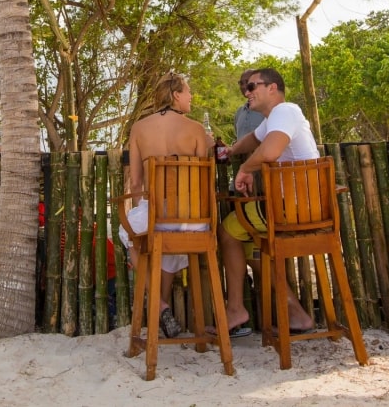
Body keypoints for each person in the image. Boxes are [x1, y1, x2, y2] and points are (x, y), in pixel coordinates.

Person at [216, 67, 318, 336]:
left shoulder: (285, 111)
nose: (246, 92)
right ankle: (296, 313)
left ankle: (236, 309)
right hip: (301, 207)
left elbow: (269, 150)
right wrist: (230, 150)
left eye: (252, 87)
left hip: (292, 209)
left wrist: (245, 169)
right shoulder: (276, 118)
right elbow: (253, 139)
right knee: (250, 243)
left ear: (272, 88)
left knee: (227, 231)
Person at [118, 71, 208, 338]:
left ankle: (158, 304)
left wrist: (142, 210)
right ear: (176, 94)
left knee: (132, 235)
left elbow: (135, 183)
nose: (191, 96)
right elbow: (202, 177)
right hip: (193, 220)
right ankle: (162, 307)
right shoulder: (197, 129)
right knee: (168, 245)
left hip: (156, 213)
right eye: (188, 91)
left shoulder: (139, 128)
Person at [233, 69, 265, 141]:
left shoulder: (266, 110)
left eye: (247, 82)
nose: (244, 86)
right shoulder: (239, 112)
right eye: (241, 83)